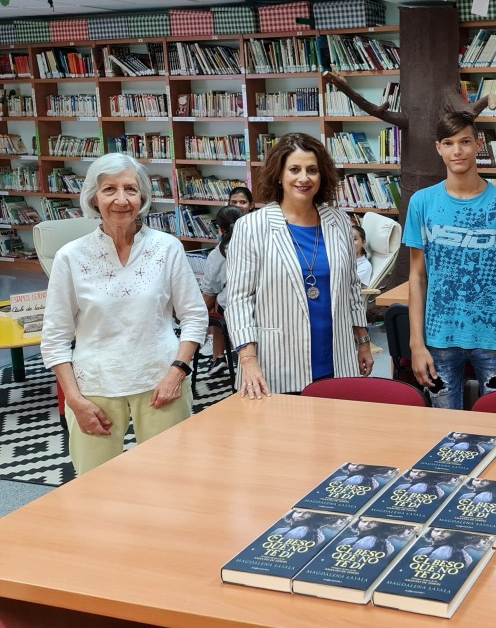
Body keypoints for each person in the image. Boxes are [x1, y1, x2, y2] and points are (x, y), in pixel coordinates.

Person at [39, 153, 208, 475]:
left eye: (130, 189)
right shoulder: (70, 257)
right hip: (94, 389)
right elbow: (55, 337)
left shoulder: (167, 247)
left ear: (142, 196)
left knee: (171, 481)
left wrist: (177, 372)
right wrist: (74, 400)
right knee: (95, 489)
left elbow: (195, 317)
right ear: (93, 197)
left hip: (161, 382)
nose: (121, 199)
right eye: (109, 190)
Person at [225, 133, 372, 397]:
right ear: (279, 175)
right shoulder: (251, 226)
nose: (303, 178)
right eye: (294, 169)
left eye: (312, 170)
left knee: (336, 436)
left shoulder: (339, 222)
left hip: (337, 358)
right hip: (275, 365)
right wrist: (247, 361)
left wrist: (363, 342)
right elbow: (238, 300)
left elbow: (351, 288)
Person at [404, 110, 496, 409]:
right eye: (448, 143)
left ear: (478, 144)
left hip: (494, 339)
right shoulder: (422, 202)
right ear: (439, 148)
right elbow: (417, 277)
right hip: (439, 338)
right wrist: (416, 343)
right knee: (445, 429)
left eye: (465, 142)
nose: (457, 151)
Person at [200, 205, 242, 376]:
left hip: (232, 309)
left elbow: (210, 289)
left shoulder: (219, 252)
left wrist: (194, 316)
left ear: (220, 228)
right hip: (263, 305)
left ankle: (218, 357)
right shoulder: (260, 242)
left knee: (216, 302)